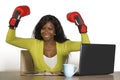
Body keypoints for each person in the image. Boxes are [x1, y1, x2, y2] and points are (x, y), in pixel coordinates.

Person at [6, 5, 90, 75]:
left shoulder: (65, 45)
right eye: (43, 28)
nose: (46, 31)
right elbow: (10, 39)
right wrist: (14, 22)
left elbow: (86, 45)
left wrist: (81, 26)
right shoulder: (33, 43)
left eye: (50, 28)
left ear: (55, 31)